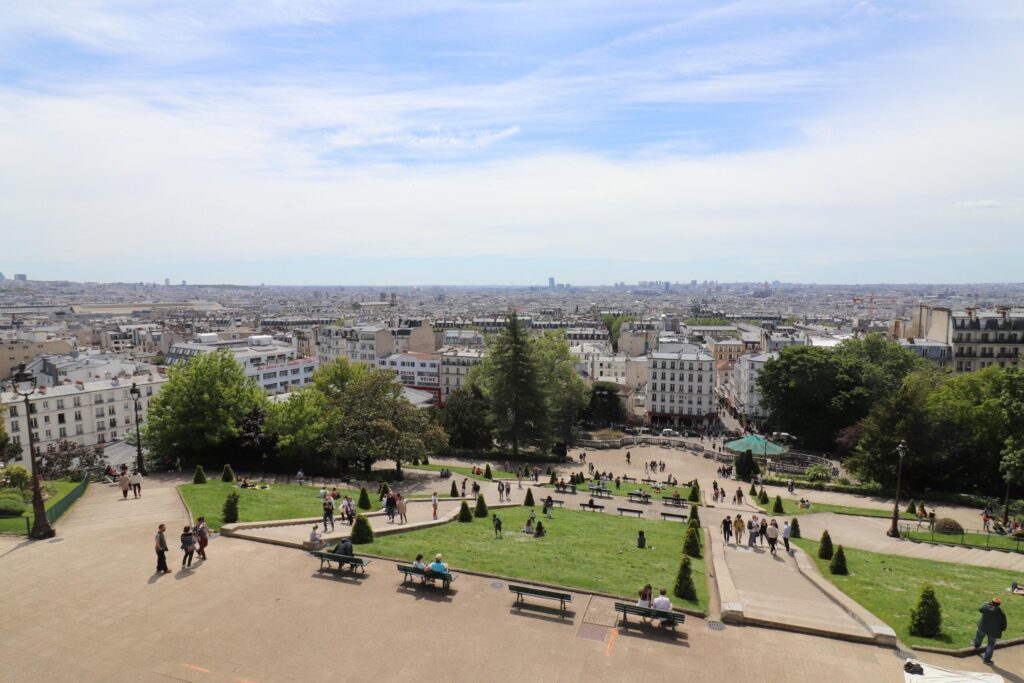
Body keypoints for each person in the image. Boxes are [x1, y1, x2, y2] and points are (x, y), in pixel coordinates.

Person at [973, 597, 1007, 664]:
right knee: (991, 645)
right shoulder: (1002, 613)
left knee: (978, 637)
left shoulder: (986, 607)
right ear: (999, 604)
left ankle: (976, 645)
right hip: (994, 632)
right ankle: (986, 660)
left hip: (983, 627)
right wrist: (1002, 629)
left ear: (991, 602)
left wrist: (986, 604)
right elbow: (1004, 624)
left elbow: (980, 610)